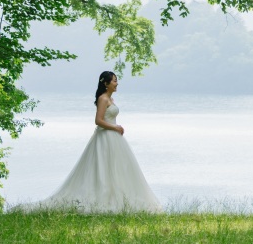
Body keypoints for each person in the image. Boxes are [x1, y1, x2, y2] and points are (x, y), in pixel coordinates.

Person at [17, 71, 161, 213]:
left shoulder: (111, 100)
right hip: (105, 138)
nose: (117, 83)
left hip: (114, 139)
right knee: (103, 168)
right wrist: (115, 127)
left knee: (116, 168)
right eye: (114, 81)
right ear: (106, 83)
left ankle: (117, 197)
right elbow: (98, 121)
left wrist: (115, 128)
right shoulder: (103, 99)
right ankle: (102, 197)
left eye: (116, 80)